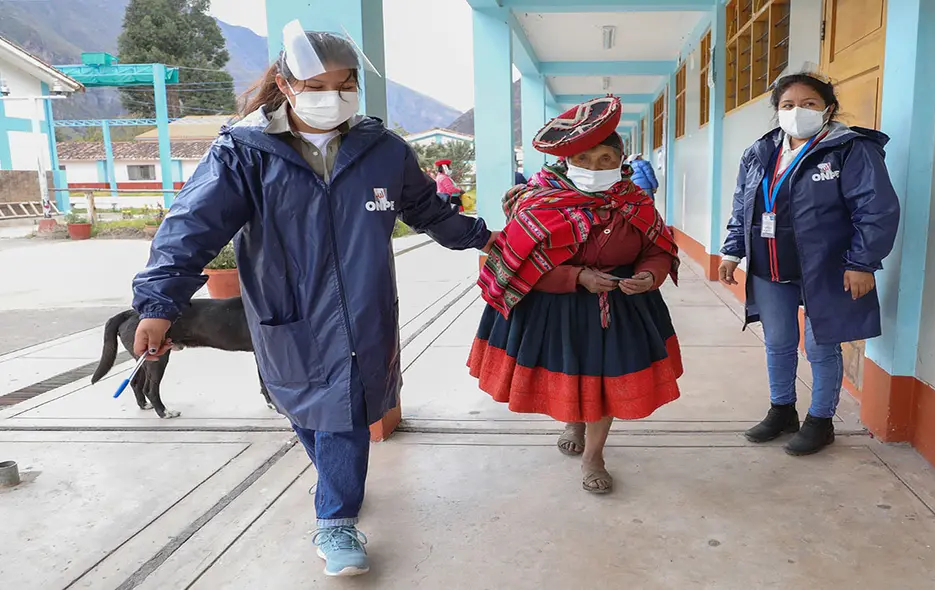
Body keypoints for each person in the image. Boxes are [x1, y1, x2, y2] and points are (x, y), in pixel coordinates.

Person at [129, 22, 495, 577]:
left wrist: (489, 239)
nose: (334, 96)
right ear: (286, 82)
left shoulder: (383, 152)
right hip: (285, 314)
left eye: (345, 83)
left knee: (343, 415)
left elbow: (431, 213)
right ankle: (336, 486)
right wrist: (158, 304)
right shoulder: (245, 153)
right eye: (318, 85)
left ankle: (336, 519)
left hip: (362, 314)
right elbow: (190, 229)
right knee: (302, 408)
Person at [471, 96, 684, 494]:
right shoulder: (536, 202)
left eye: (605, 159)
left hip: (620, 308)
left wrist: (649, 275)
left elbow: (658, 249)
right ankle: (573, 421)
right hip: (556, 309)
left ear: (620, 163)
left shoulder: (635, 202)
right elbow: (517, 262)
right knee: (573, 376)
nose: (594, 167)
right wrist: (575, 277)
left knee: (605, 383)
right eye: (584, 158)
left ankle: (594, 456)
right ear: (567, 159)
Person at [718, 72, 900, 456]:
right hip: (771, 267)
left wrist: (862, 262)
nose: (797, 111)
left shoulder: (849, 149)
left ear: (828, 108)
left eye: (809, 104)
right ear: (777, 111)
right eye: (787, 105)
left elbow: (875, 208)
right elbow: (742, 205)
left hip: (828, 269)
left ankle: (820, 421)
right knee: (779, 342)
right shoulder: (760, 152)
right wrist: (732, 251)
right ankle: (782, 410)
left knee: (821, 347)